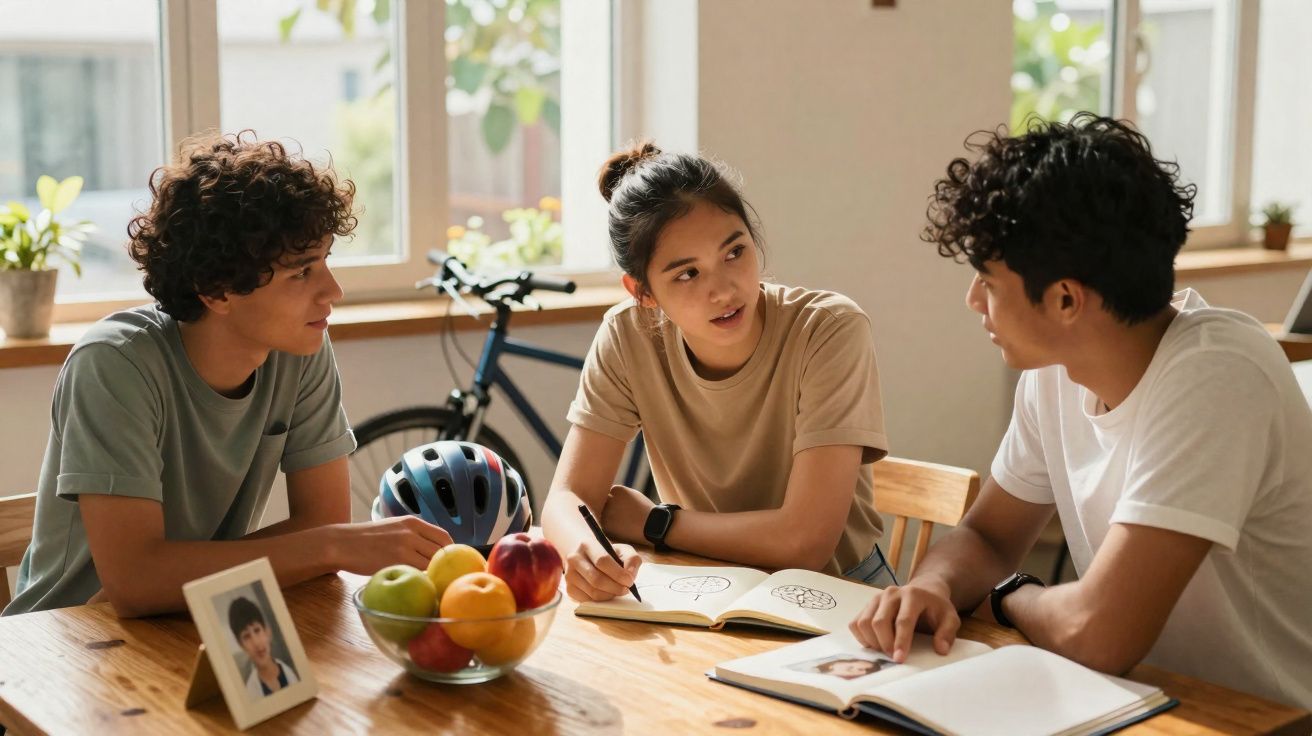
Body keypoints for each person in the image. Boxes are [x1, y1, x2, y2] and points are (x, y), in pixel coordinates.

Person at [848, 113, 1312, 708]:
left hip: (1262, 718)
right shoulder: (1054, 375)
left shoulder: (1219, 372)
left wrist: (1006, 594)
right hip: (1136, 704)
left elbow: (1097, 633)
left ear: (1066, 299)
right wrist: (934, 585)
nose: (972, 301)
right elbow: (988, 536)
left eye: (987, 282)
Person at [3, 131, 451, 618]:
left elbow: (321, 520)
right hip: (64, 644)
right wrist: (331, 546)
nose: (333, 292)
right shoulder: (114, 364)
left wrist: (322, 542)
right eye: (300, 273)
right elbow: (135, 583)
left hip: (198, 618)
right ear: (216, 291)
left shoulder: (300, 348)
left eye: (325, 261)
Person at [542, 142, 892, 603]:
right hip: (706, 589)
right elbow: (567, 500)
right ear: (643, 292)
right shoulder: (629, 336)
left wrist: (656, 523)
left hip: (838, 597)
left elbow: (805, 543)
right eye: (687, 274)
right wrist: (585, 552)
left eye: (734, 252)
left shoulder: (828, 330)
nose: (724, 289)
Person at [227, 595, 300, 698]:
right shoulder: (250, 691)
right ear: (241, 645)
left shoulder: (288, 672)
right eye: (246, 636)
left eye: (257, 630)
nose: (256, 643)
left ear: (267, 632)